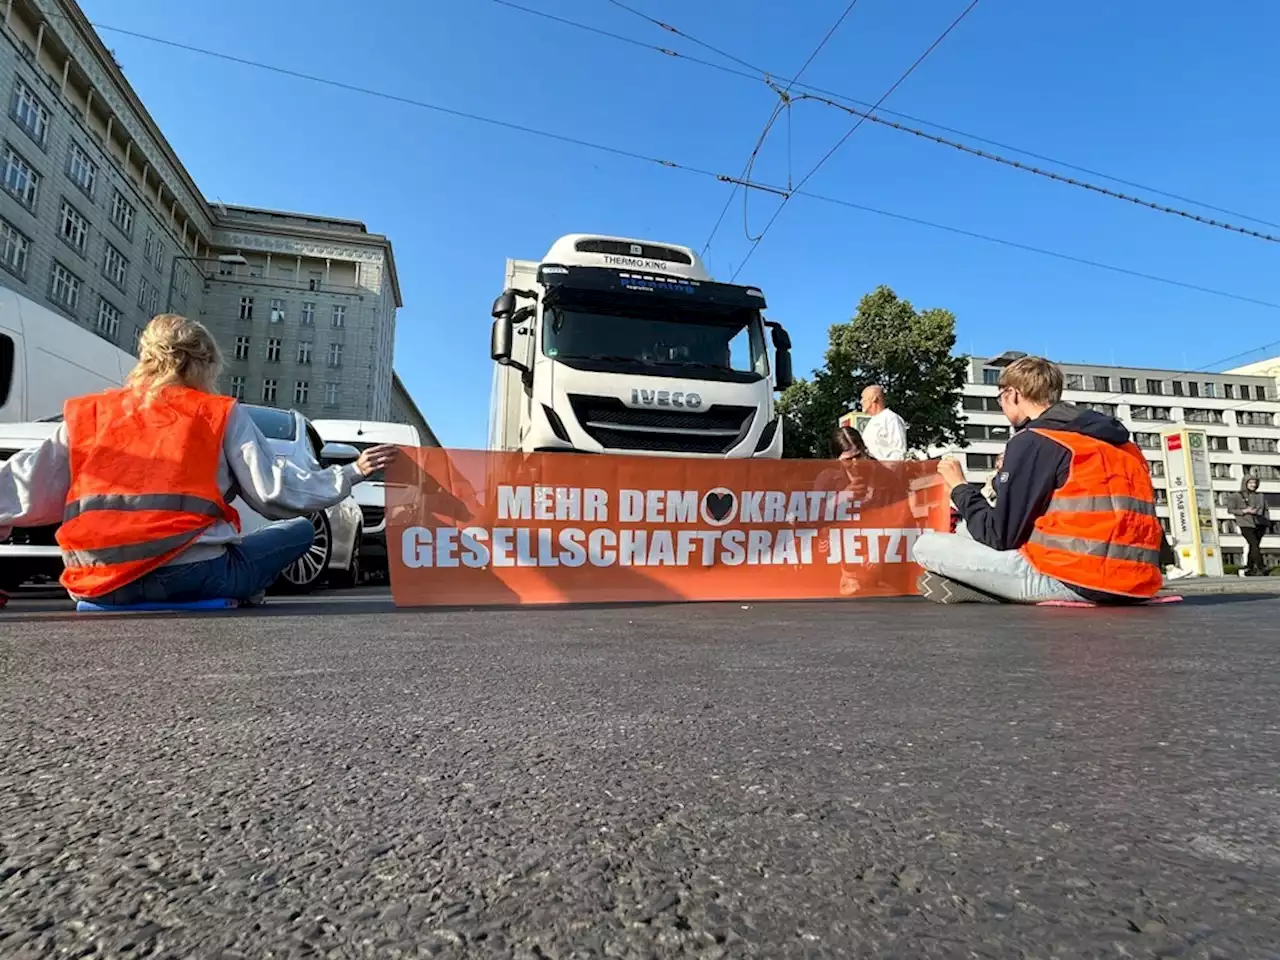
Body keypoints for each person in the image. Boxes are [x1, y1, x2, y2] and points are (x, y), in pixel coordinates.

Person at [0, 314, 398, 607]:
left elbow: (25, 483)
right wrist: (352, 471)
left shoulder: (90, 414)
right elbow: (276, 494)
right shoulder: (217, 413)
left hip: (95, 581)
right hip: (193, 574)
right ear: (204, 365)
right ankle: (240, 589)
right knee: (298, 532)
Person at [913, 355, 1163, 604]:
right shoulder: (1121, 444)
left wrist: (959, 487)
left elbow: (999, 536)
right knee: (965, 530)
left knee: (925, 545)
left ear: (1012, 394)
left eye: (1000, 398)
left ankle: (989, 591)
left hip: (1074, 580)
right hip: (1138, 583)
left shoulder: (1034, 440)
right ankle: (988, 585)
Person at [1227, 476, 1271, 576]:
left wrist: (1267, 522)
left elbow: (1266, 510)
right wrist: (1244, 511)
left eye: (1255, 483)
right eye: (1251, 483)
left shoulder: (1260, 495)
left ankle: (1250, 568)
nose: (1253, 485)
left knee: (1254, 546)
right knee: (1254, 543)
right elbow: (1230, 510)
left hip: (1260, 523)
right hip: (1245, 523)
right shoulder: (1236, 496)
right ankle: (1261, 566)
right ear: (1245, 483)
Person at [859, 385, 908, 461]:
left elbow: (899, 452)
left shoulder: (891, 419)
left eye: (863, 398)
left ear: (874, 399)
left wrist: (882, 469)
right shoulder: (871, 421)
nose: (861, 401)